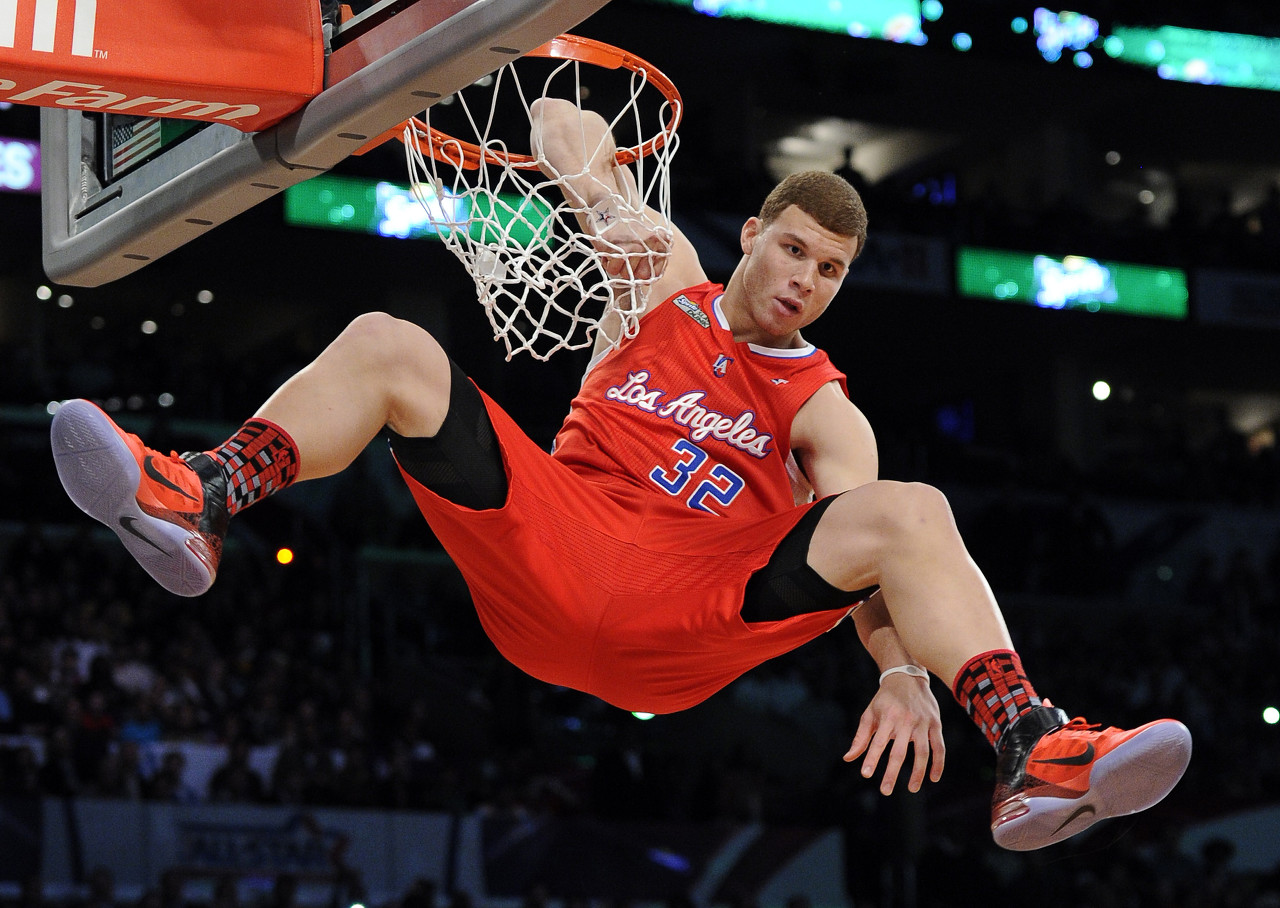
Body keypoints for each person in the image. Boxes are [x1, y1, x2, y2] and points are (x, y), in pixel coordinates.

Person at [49, 95, 1190, 852]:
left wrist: (898, 674)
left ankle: (1028, 746)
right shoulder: (660, 275)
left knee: (910, 508)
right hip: (557, 542)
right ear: (752, 234)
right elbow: (562, 128)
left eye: (832, 269)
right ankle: (201, 496)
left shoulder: (824, 410)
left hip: (687, 604)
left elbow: (872, 561)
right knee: (391, 343)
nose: (805, 279)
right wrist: (518, 50)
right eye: (794, 248)